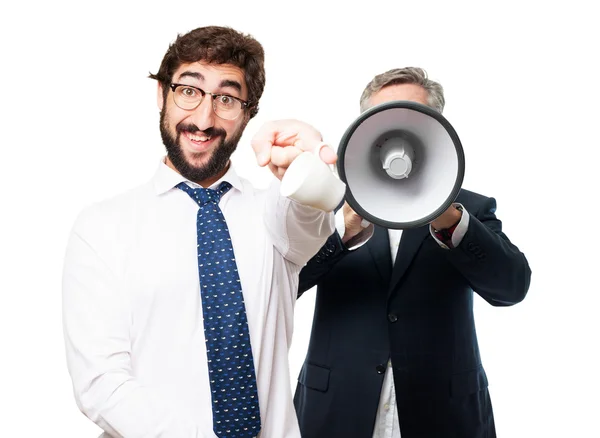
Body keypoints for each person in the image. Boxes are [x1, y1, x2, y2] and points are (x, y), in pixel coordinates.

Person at [62, 26, 336, 438]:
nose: (204, 119)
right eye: (188, 91)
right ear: (162, 96)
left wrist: (307, 167)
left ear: (248, 113)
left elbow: (312, 219)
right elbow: (101, 384)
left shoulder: (274, 212)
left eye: (227, 99)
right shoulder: (102, 228)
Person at [293, 67, 532, 438]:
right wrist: (340, 234)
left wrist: (450, 220)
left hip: (443, 415)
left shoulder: (469, 208)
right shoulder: (329, 205)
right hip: (338, 410)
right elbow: (282, 286)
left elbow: (512, 288)